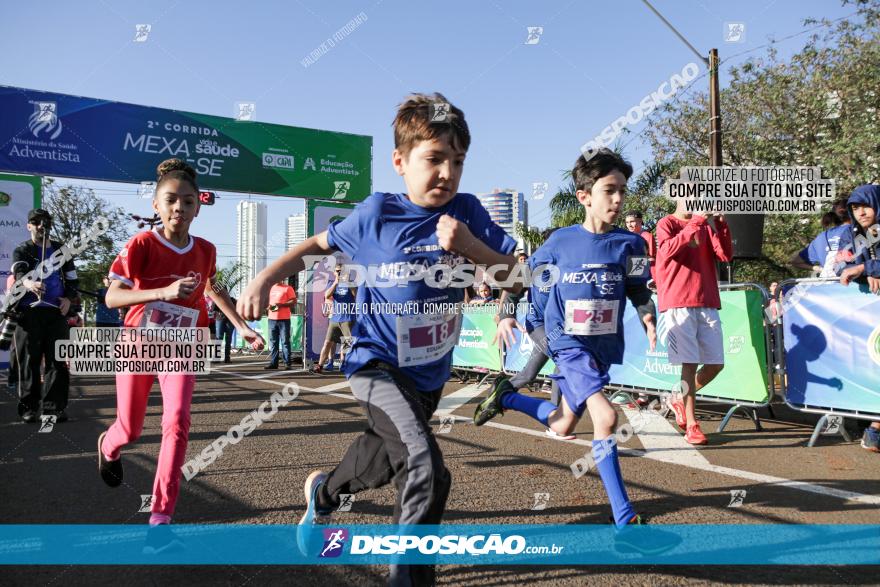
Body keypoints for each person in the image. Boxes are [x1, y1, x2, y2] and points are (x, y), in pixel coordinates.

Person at [238, 92, 519, 586]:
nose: (447, 174)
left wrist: (471, 247)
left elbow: (517, 279)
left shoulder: (469, 213)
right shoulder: (376, 214)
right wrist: (264, 278)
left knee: (385, 458)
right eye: (434, 159)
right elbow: (315, 246)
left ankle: (324, 494)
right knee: (426, 468)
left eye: (457, 162)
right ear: (400, 161)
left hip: (428, 376)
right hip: (376, 367)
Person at [474, 149, 659, 534]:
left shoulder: (632, 245)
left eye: (623, 190)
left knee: (561, 423)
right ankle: (625, 517)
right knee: (606, 418)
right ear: (584, 196)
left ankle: (506, 396)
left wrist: (647, 314)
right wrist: (506, 310)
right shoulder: (559, 243)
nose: (619, 199)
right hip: (564, 341)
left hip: (600, 348)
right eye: (610, 190)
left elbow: (638, 288)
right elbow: (520, 277)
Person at [97, 159, 264, 551]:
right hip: (139, 343)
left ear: (197, 208)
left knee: (177, 421)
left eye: (188, 202)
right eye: (171, 200)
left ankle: (160, 518)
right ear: (157, 204)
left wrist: (240, 326)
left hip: (183, 345)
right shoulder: (141, 244)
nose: (179, 209)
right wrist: (162, 292)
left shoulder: (205, 249)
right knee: (132, 429)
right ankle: (109, 445)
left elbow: (212, 289)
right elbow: (112, 296)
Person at [655, 198, 733, 445]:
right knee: (689, 364)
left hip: (707, 300)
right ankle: (692, 424)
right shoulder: (666, 223)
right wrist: (698, 221)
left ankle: (678, 398)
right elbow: (667, 251)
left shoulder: (705, 225)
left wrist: (720, 225)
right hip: (678, 302)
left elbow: (725, 255)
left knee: (715, 364)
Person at [12, 208, 80, 424]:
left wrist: (69, 299)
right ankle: (28, 408)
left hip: (55, 313)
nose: (42, 225)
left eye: (46, 222)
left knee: (58, 361)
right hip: (28, 313)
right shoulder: (22, 249)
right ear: (29, 226)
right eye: (37, 222)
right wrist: (29, 283)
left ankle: (54, 408)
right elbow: (20, 273)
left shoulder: (62, 250)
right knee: (29, 361)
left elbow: (72, 281)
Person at [837, 184, 880, 453]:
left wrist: (867, 267)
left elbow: (859, 265)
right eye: (855, 208)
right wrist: (867, 270)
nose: (860, 212)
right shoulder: (857, 234)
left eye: (865, 205)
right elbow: (842, 265)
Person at [790, 198, 851, 277]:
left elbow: (796, 261)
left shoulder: (821, 237)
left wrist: (819, 269)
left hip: (830, 285)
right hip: (856, 285)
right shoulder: (857, 231)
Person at [315, 263, 356, 373]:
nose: (339, 273)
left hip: (347, 318)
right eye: (337, 271)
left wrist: (346, 282)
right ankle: (320, 365)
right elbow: (327, 296)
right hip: (335, 319)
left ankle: (343, 363)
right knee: (327, 342)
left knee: (346, 342)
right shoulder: (332, 283)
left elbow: (355, 295)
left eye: (341, 271)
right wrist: (336, 282)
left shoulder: (351, 283)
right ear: (334, 273)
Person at [265, 278, 297, 370]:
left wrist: (281, 305)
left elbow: (293, 301)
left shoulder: (288, 288)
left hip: (284, 319)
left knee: (285, 342)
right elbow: (267, 303)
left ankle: (287, 363)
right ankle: (274, 363)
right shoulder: (270, 288)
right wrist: (268, 307)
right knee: (273, 342)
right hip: (271, 319)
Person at [625, 210, 657, 282]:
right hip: (627, 274)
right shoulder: (625, 237)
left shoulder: (647, 236)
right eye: (627, 222)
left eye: (632, 221)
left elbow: (651, 258)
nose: (629, 225)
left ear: (640, 221)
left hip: (644, 275)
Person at [215, 295, 237, 363]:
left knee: (228, 338)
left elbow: (237, 310)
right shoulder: (218, 298)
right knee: (219, 338)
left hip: (230, 320)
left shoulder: (233, 300)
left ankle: (227, 358)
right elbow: (214, 310)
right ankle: (216, 358)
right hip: (220, 319)